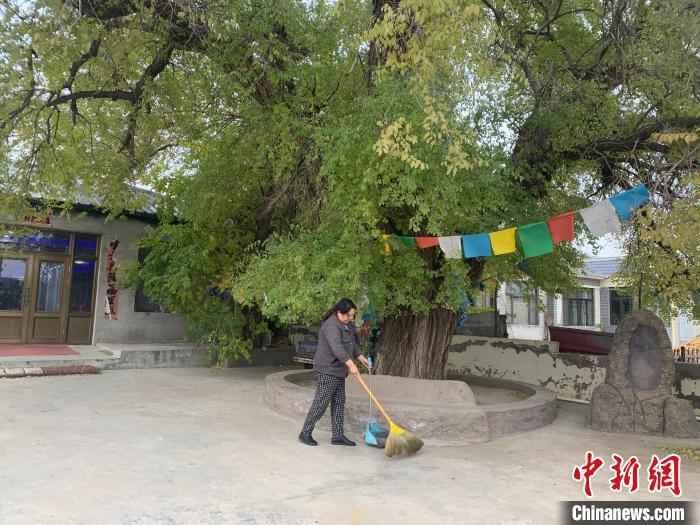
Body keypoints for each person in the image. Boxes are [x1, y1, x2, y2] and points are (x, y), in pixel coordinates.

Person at [299, 298, 369, 446]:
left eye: (352, 315)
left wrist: (359, 356)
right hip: (327, 369)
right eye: (348, 315)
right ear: (339, 312)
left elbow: (351, 343)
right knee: (321, 402)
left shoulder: (346, 324)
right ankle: (305, 433)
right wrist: (351, 364)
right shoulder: (331, 325)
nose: (351, 318)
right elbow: (337, 347)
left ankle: (337, 436)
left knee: (339, 402)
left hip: (338, 369)